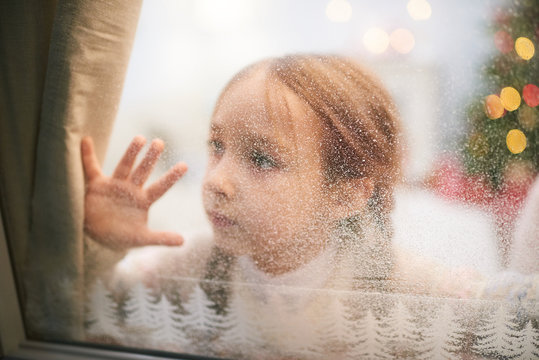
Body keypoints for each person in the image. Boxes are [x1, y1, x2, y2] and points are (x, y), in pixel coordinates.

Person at [81, 55, 533, 358]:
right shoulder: (198, 265)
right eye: (217, 145)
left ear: (347, 195)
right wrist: (103, 247)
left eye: (261, 158)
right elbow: (83, 309)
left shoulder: (389, 280)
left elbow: (506, 312)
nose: (216, 179)